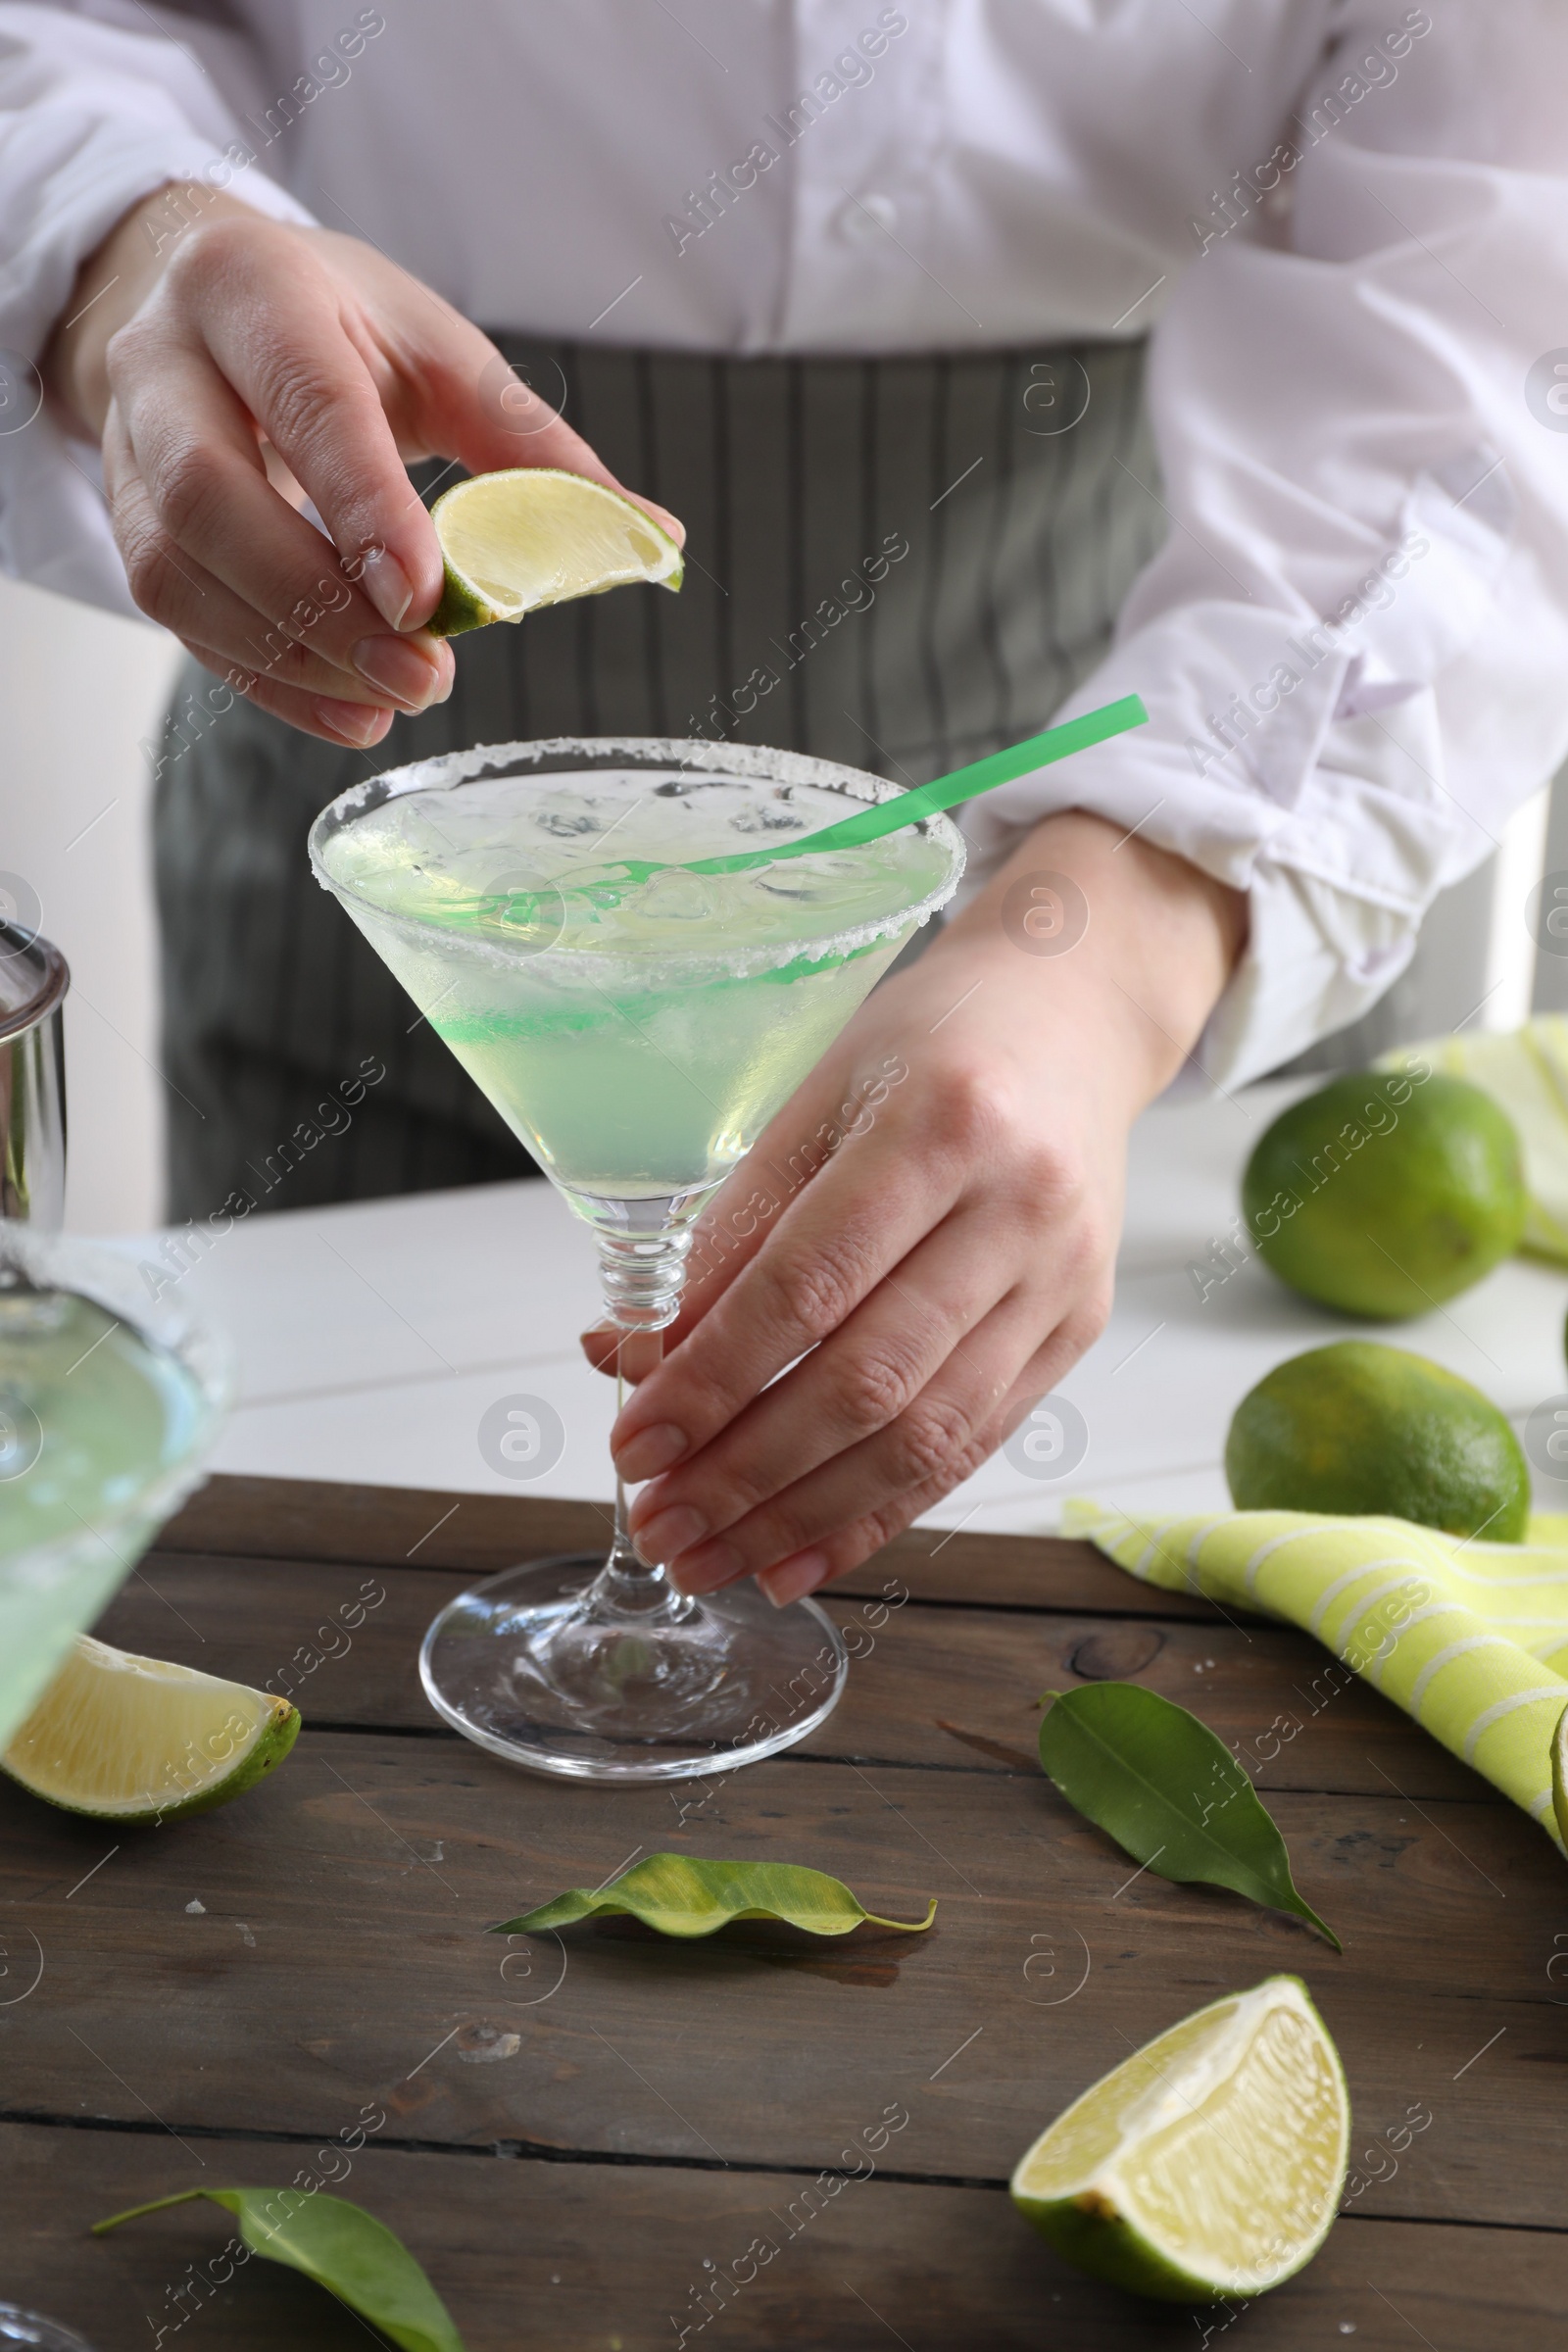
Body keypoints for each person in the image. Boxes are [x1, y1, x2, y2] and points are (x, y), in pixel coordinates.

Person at [9, 1, 1568, 1605]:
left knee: (1036, 1578)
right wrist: (115, 241)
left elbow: (1513, 314)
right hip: (375, 890)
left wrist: (1121, 958)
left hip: (1148, 789)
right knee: (306, 1600)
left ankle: (669, 1642)